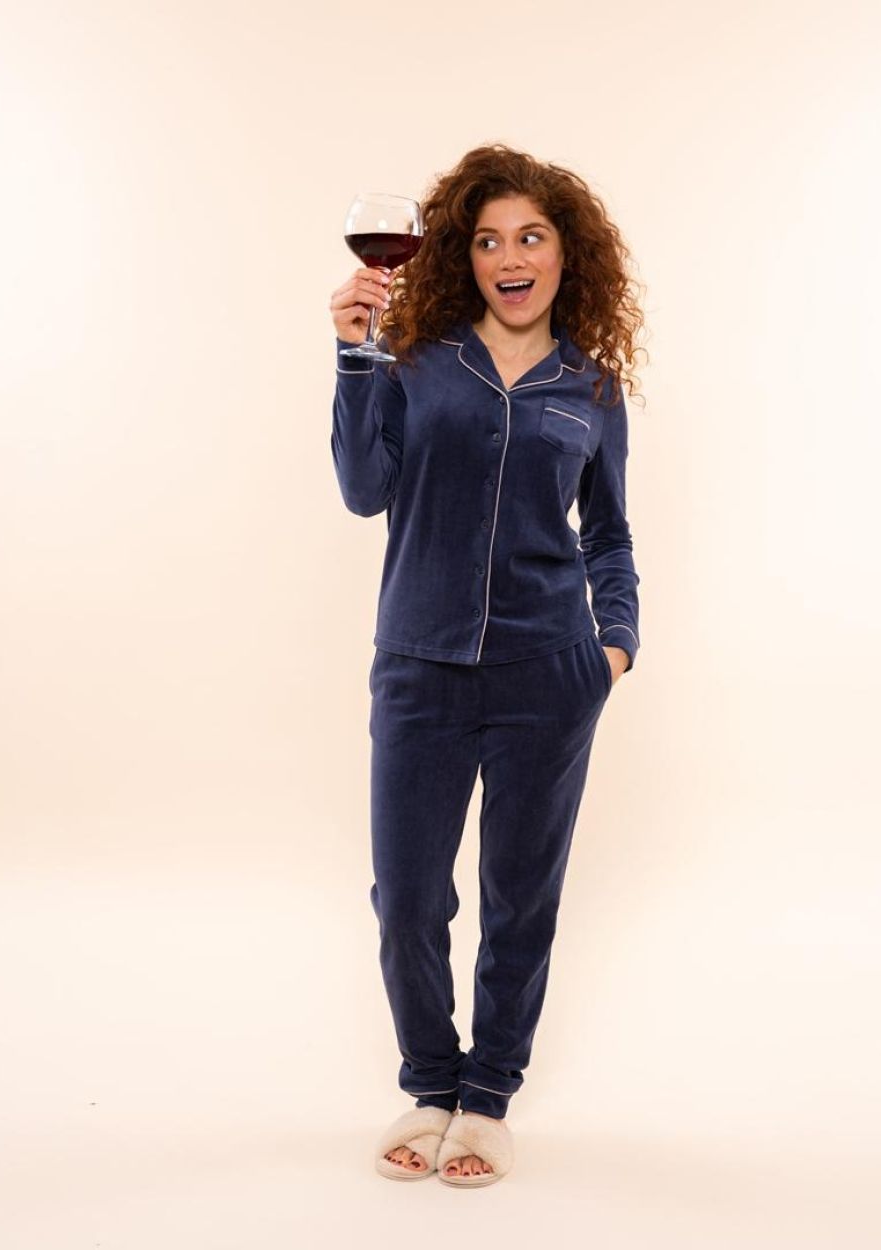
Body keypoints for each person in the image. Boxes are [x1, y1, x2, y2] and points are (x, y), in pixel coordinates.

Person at [327, 143, 646, 1188]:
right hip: (418, 669)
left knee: (520, 902)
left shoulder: (590, 387)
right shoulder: (417, 362)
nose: (510, 258)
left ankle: (487, 1098)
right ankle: (429, 1082)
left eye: (531, 237)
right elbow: (363, 490)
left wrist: (612, 645)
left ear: (565, 254)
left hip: (548, 676)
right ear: (461, 258)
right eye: (487, 240)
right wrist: (354, 358)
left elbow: (608, 534)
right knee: (408, 900)